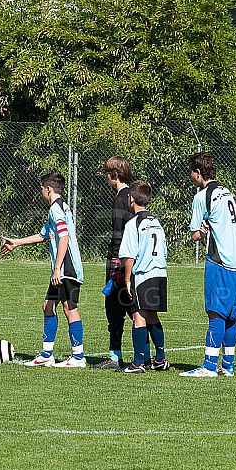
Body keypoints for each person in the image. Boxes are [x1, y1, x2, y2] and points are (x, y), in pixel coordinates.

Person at [2, 171, 86, 368]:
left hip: (67, 268)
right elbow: (44, 235)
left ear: (48, 189)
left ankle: (78, 356)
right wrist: (16, 242)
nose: (41, 192)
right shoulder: (61, 208)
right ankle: (47, 354)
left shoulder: (56, 210)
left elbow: (64, 238)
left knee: (69, 308)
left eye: (41, 189)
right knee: (48, 306)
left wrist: (57, 268)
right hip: (62, 268)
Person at [180, 152, 236, 378]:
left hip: (220, 261)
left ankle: (208, 366)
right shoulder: (227, 193)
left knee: (215, 313)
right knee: (230, 316)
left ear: (198, 174)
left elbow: (195, 234)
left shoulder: (202, 196)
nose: (190, 176)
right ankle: (228, 365)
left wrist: (202, 230)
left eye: (191, 172)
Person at [117, 181, 169, 373]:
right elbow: (164, 251)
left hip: (144, 275)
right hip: (160, 274)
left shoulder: (133, 224)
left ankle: (138, 363)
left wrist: (128, 280)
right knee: (152, 316)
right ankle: (160, 359)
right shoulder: (156, 222)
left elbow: (129, 256)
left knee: (138, 316)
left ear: (131, 199)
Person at [95, 156, 134, 370]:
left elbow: (120, 233)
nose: (106, 176)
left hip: (119, 261)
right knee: (133, 308)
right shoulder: (132, 196)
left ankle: (115, 356)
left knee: (115, 307)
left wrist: (116, 264)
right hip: (131, 260)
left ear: (115, 175)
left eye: (107, 172)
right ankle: (144, 354)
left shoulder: (121, 198)